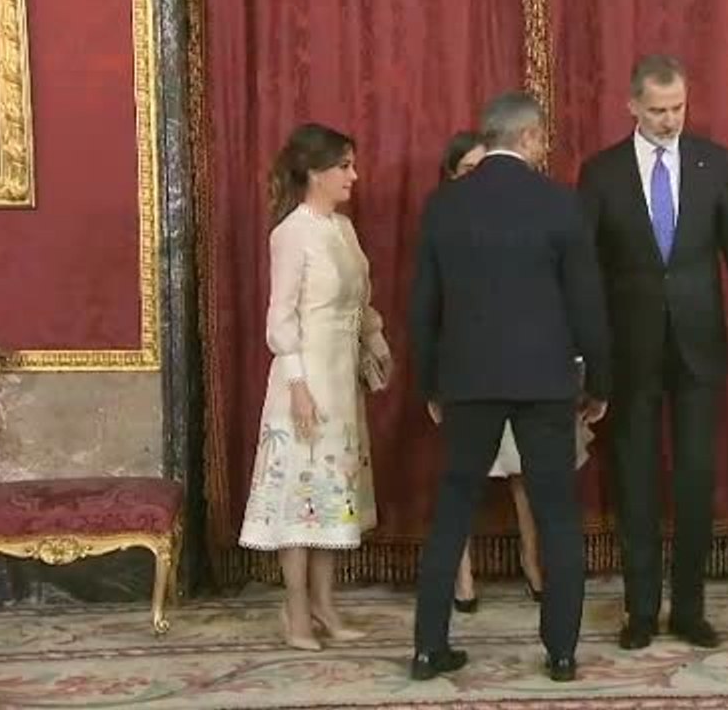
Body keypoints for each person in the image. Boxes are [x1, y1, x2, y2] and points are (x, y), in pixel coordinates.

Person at [577, 54, 728, 652]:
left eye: (678, 108)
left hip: (698, 349)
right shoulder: (601, 172)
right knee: (635, 484)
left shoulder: (713, 162)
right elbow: (584, 269)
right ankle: (639, 611)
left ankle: (689, 610)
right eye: (658, 110)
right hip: (630, 352)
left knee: (694, 480)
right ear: (632, 106)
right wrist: (585, 355)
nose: (669, 120)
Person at [408, 92, 611, 683]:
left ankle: (427, 648)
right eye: (542, 138)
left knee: (452, 511)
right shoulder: (561, 203)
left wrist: (431, 383)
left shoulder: (444, 204)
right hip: (545, 381)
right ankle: (562, 653)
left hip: (466, 381)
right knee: (557, 515)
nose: (544, 146)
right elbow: (587, 304)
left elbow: (423, 307)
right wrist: (599, 382)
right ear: (528, 138)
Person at [238, 122, 393, 652]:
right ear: (314, 172)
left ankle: (326, 604)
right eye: (344, 166)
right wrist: (299, 386)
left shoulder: (343, 229)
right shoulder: (291, 233)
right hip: (302, 382)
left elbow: (359, 300)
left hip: (341, 380)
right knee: (298, 497)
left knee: (332, 497)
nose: (354, 175)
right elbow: (280, 318)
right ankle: (296, 609)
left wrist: (376, 342)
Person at [438, 131, 595, 613]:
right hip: (468, 374)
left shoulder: (533, 216)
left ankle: (534, 563)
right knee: (462, 482)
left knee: (528, 474)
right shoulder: (445, 218)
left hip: (528, 372)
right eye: (468, 171)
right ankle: (461, 576)